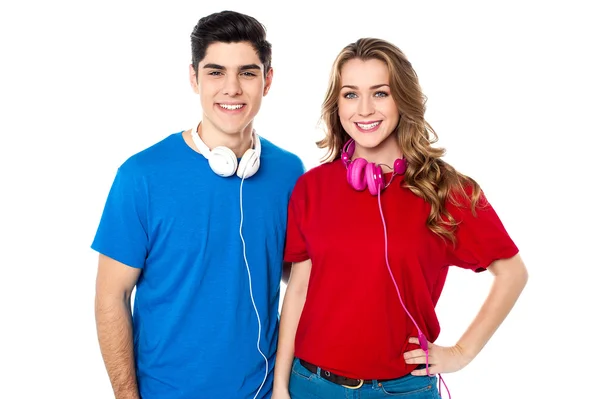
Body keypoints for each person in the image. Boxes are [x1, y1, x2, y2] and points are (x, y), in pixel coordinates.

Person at [272, 38, 528, 399]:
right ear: (336, 104)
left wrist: (461, 353)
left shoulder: (446, 189)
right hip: (311, 384)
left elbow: (513, 272)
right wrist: (281, 386)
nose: (363, 109)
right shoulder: (311, 187)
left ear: (402, 99)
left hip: (403, 390)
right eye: (350, 94)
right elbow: (298, 290)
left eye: (380, 93)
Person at [92, 10, 304, 399]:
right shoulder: (141, 176)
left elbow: (301, 277)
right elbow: (111, 297)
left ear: (267, 80)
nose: (232, 88)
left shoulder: (290, 173)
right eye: (215, 72)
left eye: (247, 72)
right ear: (194, 78)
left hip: (263, 390)